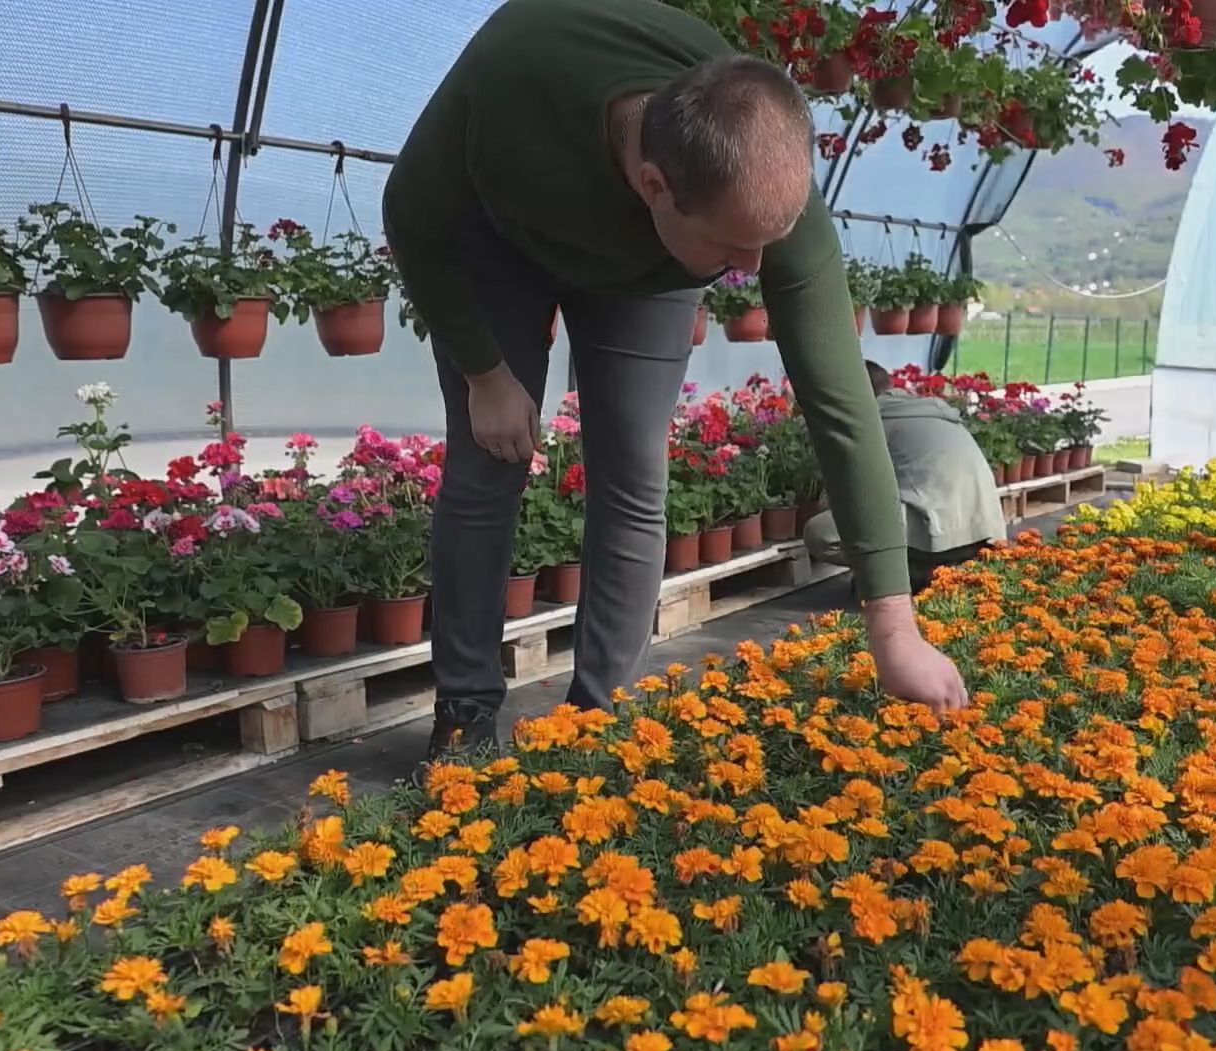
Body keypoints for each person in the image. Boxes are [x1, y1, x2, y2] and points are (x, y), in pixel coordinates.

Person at [382, 0, 967, 758]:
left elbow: (841, 405)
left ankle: (602, 722)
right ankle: (464, 715)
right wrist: (483, 373)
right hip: (499, 237)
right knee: (488, 460)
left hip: (650, 273)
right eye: (734, 247)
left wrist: (895, 629)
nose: (754, 272)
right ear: (655, 185)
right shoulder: (513, 79)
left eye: (768, 246)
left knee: (633, 471)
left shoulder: (753, 186)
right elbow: (411, 213)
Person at [804, 362, 1007, 591]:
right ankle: (939, 568)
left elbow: (844, 492)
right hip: (983, 533)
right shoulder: (928, 410)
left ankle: (908, 574)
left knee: (820, 533)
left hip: (936, 535)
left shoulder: (869, 422)